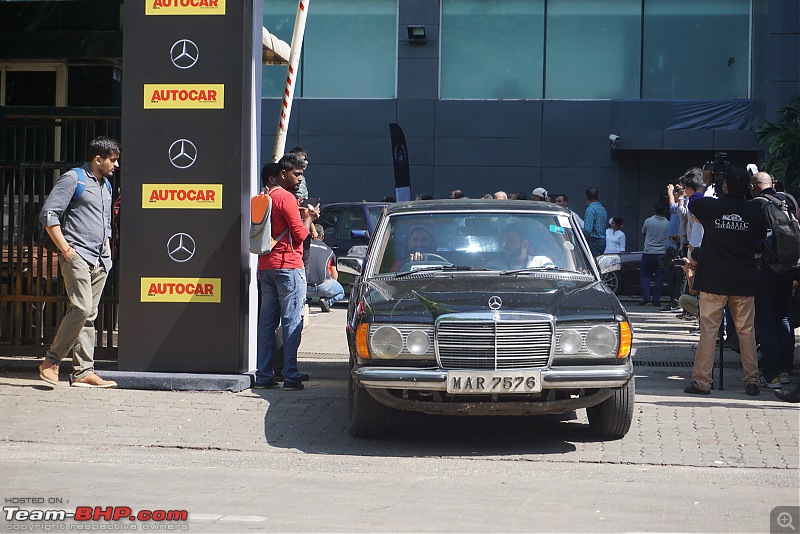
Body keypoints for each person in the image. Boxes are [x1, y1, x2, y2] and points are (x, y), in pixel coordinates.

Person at [37, 136, 119, 388]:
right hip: (77, 255)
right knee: (81, 308)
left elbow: (105, 222)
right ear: (98, 159)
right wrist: (65, 249)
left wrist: (107, 253)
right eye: (113, 160)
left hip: (100, 259)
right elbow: (49, 214)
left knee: (90, 315)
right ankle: (51, 361)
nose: (116, 165)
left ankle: (83, 371)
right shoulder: (74, 178)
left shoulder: (105, 186)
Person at [684, 165, 766, 397]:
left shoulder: (712, 206)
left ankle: (702, 383)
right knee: (746, 332)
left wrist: (706, 182)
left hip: (713, 281)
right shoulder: (755, 211)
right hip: (743, 280)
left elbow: (693, 201)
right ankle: (752, 381)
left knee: (709, 332)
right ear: (748, 189)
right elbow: (760, 240)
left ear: (724, 185)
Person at [255, 153, 318, 391]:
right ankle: (290, 375)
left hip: (266, 266)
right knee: (292, 321)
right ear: (283, 174)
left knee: (266, 323)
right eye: (297, 174)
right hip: (288, 266)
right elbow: (300, 235)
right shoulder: (286, 198)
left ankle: (263, 375)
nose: (300, 179)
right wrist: (309, 218)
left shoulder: (264, 196)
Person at [750, 171, 798, 389]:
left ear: (753, 187)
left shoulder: (756, 205)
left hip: (765, 269)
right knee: (783, 317)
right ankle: (787, 368)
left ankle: (772, 373)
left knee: (765, 319)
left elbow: (752, 241)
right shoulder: (789, 200)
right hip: (788, 267)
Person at [307, 224, 344, 312]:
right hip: (323, 286)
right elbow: (335, 276)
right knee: (341, 292)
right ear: (323, 236)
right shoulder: (329, 251)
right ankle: (327, 302)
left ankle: (306, 304)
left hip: (306, 287)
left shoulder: (304, 247)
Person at [639, 203, 669, 307]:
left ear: (654, 210)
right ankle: (656, 300)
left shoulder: (648, 221)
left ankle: (646, 297)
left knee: (645, 275)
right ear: (665, 212)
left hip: (648, 252)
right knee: (659, 278)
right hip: (662, 253)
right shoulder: (668, 223)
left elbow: (643, 232)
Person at [489, 223, 555, 270]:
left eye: (510, 241)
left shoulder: (541, 263)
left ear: (525, 244)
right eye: (502, 241)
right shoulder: (494, 267)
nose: (504, 245)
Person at [583, 186, 608, 256]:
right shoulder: (602, 209)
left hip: (593, 241)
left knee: (591, 263)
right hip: (602, 241)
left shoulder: (591, 209)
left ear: (587, 197)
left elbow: (587, 230)